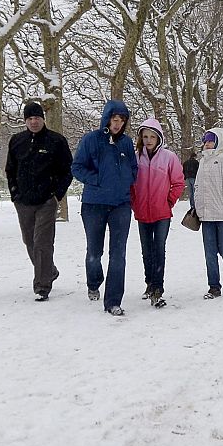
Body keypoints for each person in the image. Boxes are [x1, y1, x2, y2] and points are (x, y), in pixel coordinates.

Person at [71, 99, 138, 316]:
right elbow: (77, 167)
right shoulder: (91, 140)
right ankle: (93, 282)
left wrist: (126, 179)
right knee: (94, 252)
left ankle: (113, 301)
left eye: (121, 120)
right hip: (94, 204)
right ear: (107, 118)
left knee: (118, 254)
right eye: (114, 119)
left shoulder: (127, 143)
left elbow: (134, 168)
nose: (117, 124)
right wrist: (98, 178)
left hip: (120, 204)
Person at [4, 100, 73, 302]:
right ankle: (49, 270)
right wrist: (14, 193)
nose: (34, 122)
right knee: (29, 241)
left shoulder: (56, 141)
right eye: (30, 118)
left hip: (46, 201)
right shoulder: (16, 141)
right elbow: (10, 170)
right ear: (25, 120)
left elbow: (67, 171)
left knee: (42, 242)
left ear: (43, 119)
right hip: (23, 201)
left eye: (37, 118)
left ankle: (42, 285)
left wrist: (56, 195)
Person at [130, 118, 184, 309]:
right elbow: (130, 184)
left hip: (162, 213)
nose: (148, 140)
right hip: (142, 212)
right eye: (145, 136)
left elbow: (178, 182)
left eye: (152, 136)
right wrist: (134, 202)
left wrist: (169, 200)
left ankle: (158, 288)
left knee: (159, 249)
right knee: (146, 250)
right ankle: (149, 283)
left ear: (159, 137)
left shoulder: (169, 157)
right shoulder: (135, 157)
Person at [193, 128, 223, 298]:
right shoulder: (202, 161)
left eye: (210, 140)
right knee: (209, 253)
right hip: (206, 216)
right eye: (205, 140)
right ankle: (214, 286)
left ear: (219, 141)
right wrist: (198, 206)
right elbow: (197, 186)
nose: (207, 144)